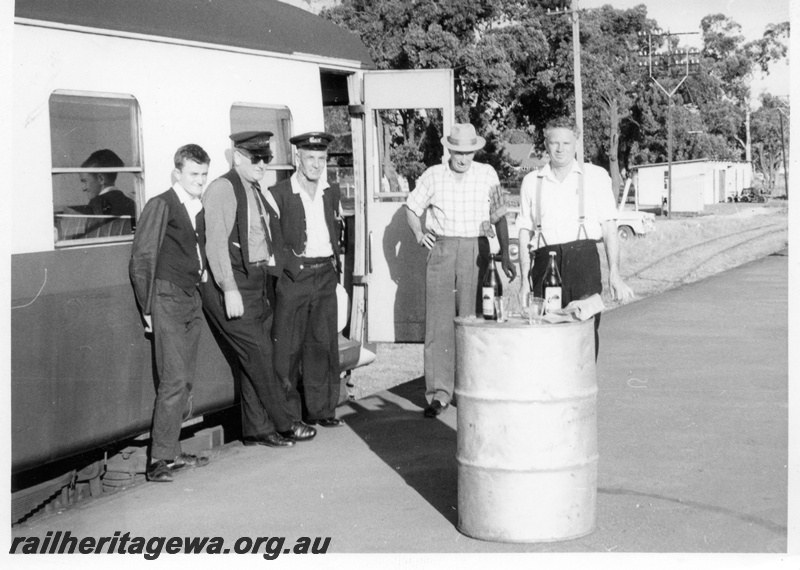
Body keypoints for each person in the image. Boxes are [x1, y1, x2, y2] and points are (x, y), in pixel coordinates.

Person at [201, 131, 316, 448]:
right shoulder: (223, 188)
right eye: (256, 158)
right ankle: (286, 424)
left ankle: (257, 428)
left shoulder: (254, 189)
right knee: (261, 355)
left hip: (254, 282)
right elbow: (215, 244)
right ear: (237, 157)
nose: (263, 164)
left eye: (266, 158)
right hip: (232, 283)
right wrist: (229, 288)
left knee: (256, 356)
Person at [405, 123, 516, 418]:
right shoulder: (433, 176)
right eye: (458, 151)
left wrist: (505, 255)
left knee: (476, 321)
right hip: (442, 249)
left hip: (477, 251)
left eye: (468, 152)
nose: (463, 158)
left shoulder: (487, 174)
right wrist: (419, 234)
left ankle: (473, 388)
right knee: (439, 323)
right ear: (449, 149)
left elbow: (500, 215)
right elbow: (411, 207)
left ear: (474, 151)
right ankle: (439, 393)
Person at [129, 144, 212, 482]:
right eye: (194, 174)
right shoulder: (161, 204)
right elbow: (142, 258)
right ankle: (158, 461)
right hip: (166, 297)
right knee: (174, 379)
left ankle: (172, 453)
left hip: (190, 297)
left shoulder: (197, 206)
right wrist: (147, 308)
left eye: (204, 175)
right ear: (177, 173)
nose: (200, 181)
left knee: (185, 379)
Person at [518, 116, 634, 357]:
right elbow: (523, 232)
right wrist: (523, 283)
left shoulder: (596, 176)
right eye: (554, 143)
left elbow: (610, 228)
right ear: (546, 143)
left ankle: (582, 393)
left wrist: (615, 274)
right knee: (545, 336)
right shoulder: (532, 181)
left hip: (583, 265)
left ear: (577, 143)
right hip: (544, 264)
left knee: (584, 336)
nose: (560, 149)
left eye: (566, 143)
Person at [270, 132, 344, 428]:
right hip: (295, 278)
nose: (316, 164)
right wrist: (293, 265)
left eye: (322, 158)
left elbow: (336, 230)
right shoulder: (279, 194)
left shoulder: (331, 191)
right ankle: (288, 418)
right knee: (288, 349)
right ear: (297, 159)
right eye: (310, 158)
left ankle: (322, 411)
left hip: (325, 274)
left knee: (323, 346)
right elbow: (273, 241)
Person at [80, 149, 137, 225]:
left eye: (85, 181)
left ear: (101, 179)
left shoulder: (95, 204)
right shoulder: (130, 203)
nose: (83, 188)